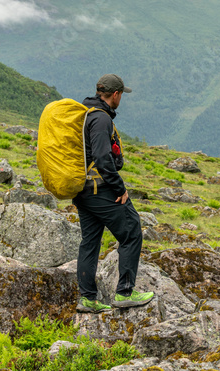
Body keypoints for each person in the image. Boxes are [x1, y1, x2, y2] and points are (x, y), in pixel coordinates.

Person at [74, 74, 154, 314]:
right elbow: (102, 157)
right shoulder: (101, 119)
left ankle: (88, 299)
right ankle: (125, 292)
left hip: (82, 190)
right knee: (131, 232)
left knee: (90, 242)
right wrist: (120, 189)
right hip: (101, 189)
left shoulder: (84, 112)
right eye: (122, 95)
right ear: (116, 94)